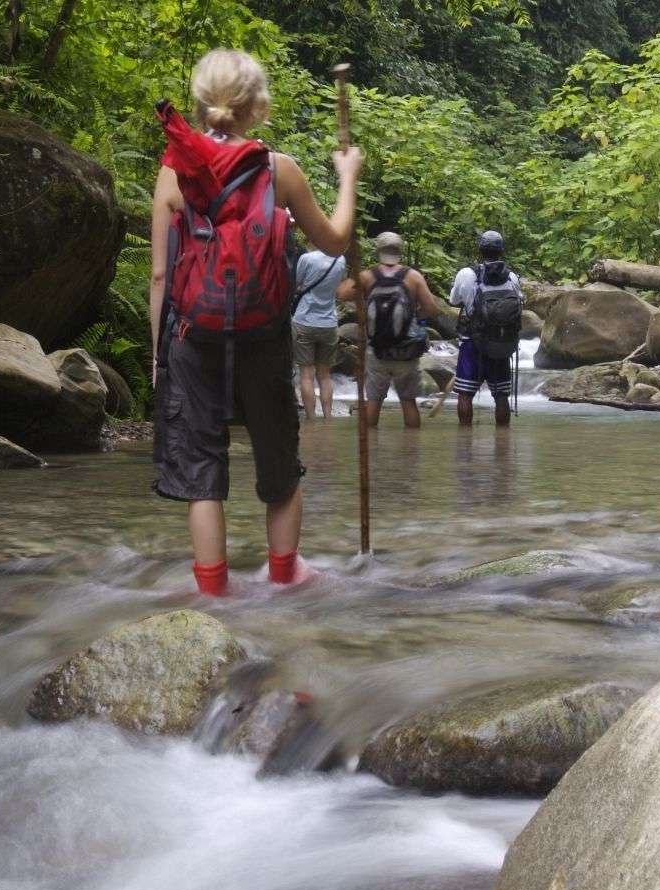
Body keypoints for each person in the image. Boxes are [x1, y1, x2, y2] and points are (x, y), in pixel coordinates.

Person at [150, 49, 362, 597]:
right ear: (259, 108)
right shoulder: (277, 170)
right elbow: (334, 240)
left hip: (192, 336)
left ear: (199, 105)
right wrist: (348, 176)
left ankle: (214, 594)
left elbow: (159, 276)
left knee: (202, 471)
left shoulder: (174, 172)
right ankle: (285, 577)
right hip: (265, 335)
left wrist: (158, 360)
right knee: (278, 461)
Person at [343, 232, 446, 429]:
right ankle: (410, 452)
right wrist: (412, 317)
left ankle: (371, 449)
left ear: (378, 251)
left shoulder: (368, 276)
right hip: (406, 350)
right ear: (400, 251)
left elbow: (342, 293)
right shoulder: (413, 277)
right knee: (408, 402)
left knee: (373, 401)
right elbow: (432, 309)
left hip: (377, 351)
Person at [449, 230, 524, 428]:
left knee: (465, 394)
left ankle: (464, 441)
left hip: (472, 342)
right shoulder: (512, 277)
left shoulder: (467, 274)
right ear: (501, 251)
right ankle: (503, 444)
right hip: (501, 343)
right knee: (501, 395)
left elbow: (453, 300)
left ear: (480, 250)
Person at [291, 243, 347, 418]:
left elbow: (297, 283)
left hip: (304, 321)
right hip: (329, 323)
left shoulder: (306, 259)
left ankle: (310, 418)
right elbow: (339, 284)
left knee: (306, 374)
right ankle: (328, 417)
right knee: (325, 374)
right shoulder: (340, 259)